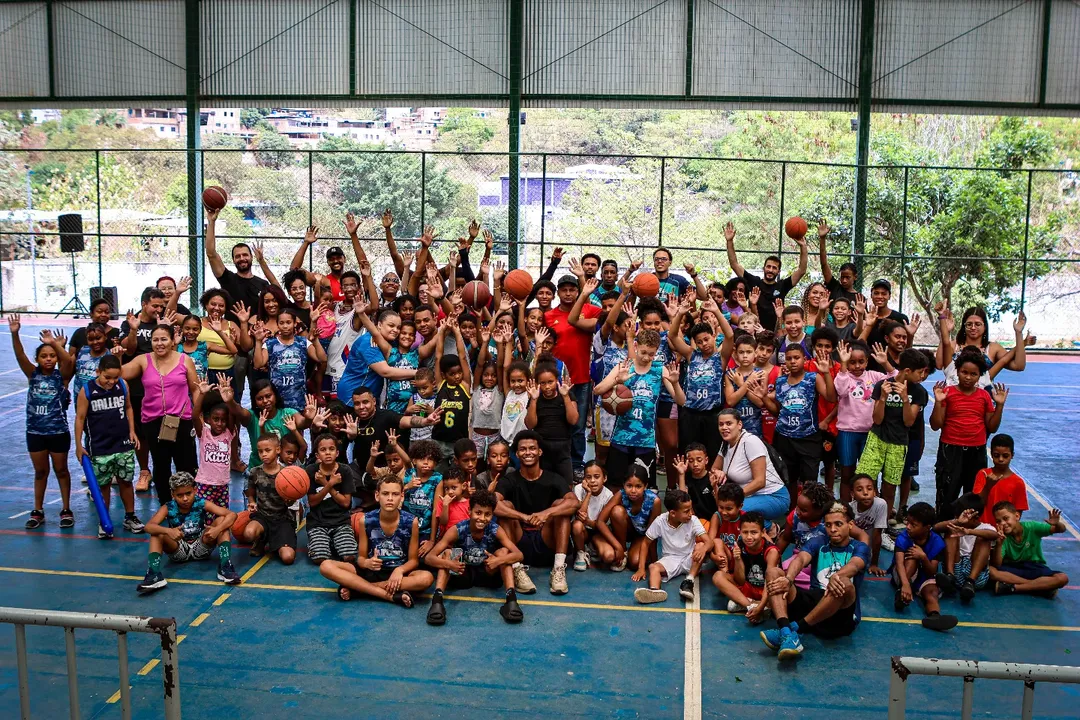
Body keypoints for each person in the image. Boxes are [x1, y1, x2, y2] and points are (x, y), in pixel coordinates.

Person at [761, 503, 870, 658]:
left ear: (850, 525)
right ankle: (786, 631)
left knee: (844, 584)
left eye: (838, 524)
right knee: (774, 573)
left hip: (840, 616)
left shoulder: (860, 547)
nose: (833, 529)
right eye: (828, 525)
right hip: (813, 605)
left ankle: (795, 629)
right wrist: (788, 579)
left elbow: (854, 565)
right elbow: (801, 559)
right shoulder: (819, 542)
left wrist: (837, 576)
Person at [320, 476, 435, 607]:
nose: (390, 498)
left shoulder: (411, 521)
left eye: (395, 494)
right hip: (371, 571)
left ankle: (358, 589)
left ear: (402, 496)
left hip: (397, 573)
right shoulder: (366, 520)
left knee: (426, 578)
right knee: (326, 566)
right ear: (377, 495)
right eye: (385, 494)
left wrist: (400, 570)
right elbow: (361, 559)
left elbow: (413, 561)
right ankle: (388, 595)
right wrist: (367, 563)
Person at [594, 330, 684, 488]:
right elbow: (598, 390)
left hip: (646, 440)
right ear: (635, 346)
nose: (646, 357)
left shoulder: (660, 369)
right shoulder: (624, 366)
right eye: (643, 352)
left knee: (645, 488)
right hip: (621, 437)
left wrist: (675, 383)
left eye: (651, 354)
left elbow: (681, 401)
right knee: (616, 486)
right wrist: (617, 380)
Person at [121, 324, 200, 504]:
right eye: (155, 340)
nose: (159, 343)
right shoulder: (143, 360)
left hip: (181, 420)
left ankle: (189, 505)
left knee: (186, 465)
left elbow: (195, 390)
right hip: (153, 422)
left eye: (164, 339)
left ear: (173, 341)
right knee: (161, 465)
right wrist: (117, 356)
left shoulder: (184, 360)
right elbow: (119, 373)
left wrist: (198, 416)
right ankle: (166, 505)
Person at [495, 430, 579, 595]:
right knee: (505, 506)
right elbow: (493, 504)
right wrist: (523, 517)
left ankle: (558, 568)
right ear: (517, 454)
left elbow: (574, 502)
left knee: (561, 505)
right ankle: (516, 569)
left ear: (540, 452)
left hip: (546, 540)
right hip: (519, 544)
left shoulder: (554, 478)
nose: (528, 452)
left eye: (532, 448)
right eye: (523, 449)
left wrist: (546, 513)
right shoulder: (509, 480)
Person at [424, 488, 525, 625]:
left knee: (504, 552)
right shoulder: (457, 529)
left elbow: (519, 554)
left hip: (487, 573)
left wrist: (498, 560)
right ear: (469, 511)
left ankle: (511, 601)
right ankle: (437, 601)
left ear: (492, 514)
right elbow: (429, 557)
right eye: (478, 513)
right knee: (448, 553)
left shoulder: (495, 529)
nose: (482, 518)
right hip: (463, 574)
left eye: (487, 514)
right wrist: (450, 564)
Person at [12, 319, 75, 530]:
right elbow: (20, 355)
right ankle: (38, 510)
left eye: (52, 356)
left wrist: (56, 344)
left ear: (56, 358)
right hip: (35, 432)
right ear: (37, 359)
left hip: (58, 432)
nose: (48, 359)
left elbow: (69, 362)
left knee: (61, 470)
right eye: (44, 356)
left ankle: (66, 509)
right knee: (40, 472)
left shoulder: (61, 377)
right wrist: (15, 334)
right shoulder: (33, 375)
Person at [929, 349, 1008, 515]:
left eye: (973, 374)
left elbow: (992, 427)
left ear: (980, 376)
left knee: (974, 496)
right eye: (964, 372)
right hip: (950, 450)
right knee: (947, 494)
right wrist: (938, 402)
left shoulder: (984, 396)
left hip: (976, 452)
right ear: (957, 371)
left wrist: (999, 405)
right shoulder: (947, 393)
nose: (968, 377)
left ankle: (969, 529)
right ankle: (944, 526)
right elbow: (936, 425)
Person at [74, 354, 143, 538]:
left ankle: (130, 517)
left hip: (123, 443)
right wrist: (78, 445)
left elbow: (128, 407)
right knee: (103, 485)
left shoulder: (123, 385)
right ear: (98, 372)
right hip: (99, 446)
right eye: (107, 377)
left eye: (115, 377)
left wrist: (132, 430)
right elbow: (80, 418)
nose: (111, 381)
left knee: (125, 482)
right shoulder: (87, 391)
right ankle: (104, 521)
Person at [137, 471, 240, 593]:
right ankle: (153, 574)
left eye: (188, 493)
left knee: (222, 521)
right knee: (157, 533)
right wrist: (168, 531)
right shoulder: (168, 507)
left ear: (195, 490)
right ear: (172, 494)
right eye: (180, 495)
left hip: (201, 546)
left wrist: (217, 529)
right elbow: (148, 526)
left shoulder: (201, 503)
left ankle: (225, 566)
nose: (185, 498)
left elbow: (232, 515)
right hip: (178, 549)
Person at [855, 349, 929, 518]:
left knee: (889, 488)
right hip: (876, 440)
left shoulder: (919, 392)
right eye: (920, 372)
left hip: (898, 443)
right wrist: (882, 398)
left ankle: (883, 524)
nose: (922, 376)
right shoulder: (882, 385)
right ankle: (863, 519)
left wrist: (905, 398)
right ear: (907, 371)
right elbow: (877, 419)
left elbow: (909, 422)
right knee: (864, 481)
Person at [763, 344, 836, 506]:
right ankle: (792, 511)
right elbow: (778, 411)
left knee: (810, 480)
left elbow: (831, 398)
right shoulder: (780, 382)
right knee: (789, 479)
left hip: (809, 437)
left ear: (804, 359)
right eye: (789, 358)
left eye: (796, 358)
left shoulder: (813, 378)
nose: (793, 361)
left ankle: (810, 510)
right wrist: (764, 398)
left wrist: (826, 373)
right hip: (784, 438)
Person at [545, 274, 603, 477]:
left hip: (581, 377)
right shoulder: (549, 316)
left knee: (578, 425)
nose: (568, 293)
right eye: (564, 290)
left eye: (572, 290)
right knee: (556, 422)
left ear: (578, 291)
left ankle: (577, 463)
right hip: (557, 379)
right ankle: (556, 461)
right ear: (558, 293)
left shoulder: (589, 310)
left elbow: (610, 317)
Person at [669, 297, 732, 460]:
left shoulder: (720, 358)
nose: (704, 344)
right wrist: (680, 313)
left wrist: (716, 311)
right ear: (695, 343)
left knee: (713, 455)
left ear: (713, 336)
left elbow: (730, 335)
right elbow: (673, 335)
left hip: (713, 414)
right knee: (688, 454)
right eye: (699, 342)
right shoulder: (692, 355)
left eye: (706, 339)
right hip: (690, 413)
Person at [833, 340, 893, 502]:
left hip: (870, 433)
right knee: (847, 473)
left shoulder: (874, 376)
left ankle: (871, 507)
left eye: (861, 361)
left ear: (867, 361)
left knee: (870, 475)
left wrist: (885, 363)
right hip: (847, 433)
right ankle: (846, 507)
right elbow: (841, 390)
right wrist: (843, 365)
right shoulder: (843, 376)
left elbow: (895, 379)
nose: (857, 366)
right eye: (852, 362)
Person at [120, 287, 167, 491]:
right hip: (138, 388)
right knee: (141, 432)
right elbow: (129, 350)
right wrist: (133, 330)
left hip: (162, 386)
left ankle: (162, 470)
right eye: (155, 306)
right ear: (144, 304)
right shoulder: (130, 323)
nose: (158, 310)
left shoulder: (163, 323)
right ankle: (144, 471)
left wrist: (165, 328)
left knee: (163, 431)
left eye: (161, 306)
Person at [724, 220, 808, 332]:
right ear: (764, 268)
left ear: (778, 271)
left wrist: (803, 246)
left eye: (774, 268)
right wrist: (729, 241)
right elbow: (734, 264)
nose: (770, 270)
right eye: (768, 266)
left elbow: (802, 270)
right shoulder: (754, 282)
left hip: (775, 332)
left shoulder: (782, 285)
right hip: (754, 330)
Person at [632, 489, 708, 605]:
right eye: (686, 511)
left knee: (701, 545)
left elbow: (709, 542)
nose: (691, 513)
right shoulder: (660, 521)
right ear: (673, 513)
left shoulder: (693, 520)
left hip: (690, 558)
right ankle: (655, 591)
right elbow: (646, 543)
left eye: (691, 509)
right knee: (653, 567)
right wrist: (641, 568)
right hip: (670, 559)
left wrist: (703, 549)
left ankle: (689, 581)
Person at [713, 409, 790, 522]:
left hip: (774, 496)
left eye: (729, 423)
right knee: (724, 509)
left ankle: (770, 527)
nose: (724, 427)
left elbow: (760, 481)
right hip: (749, 496)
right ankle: (766, 525)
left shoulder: (751, 442)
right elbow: (714, 469)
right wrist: (718, 472)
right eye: (721, 424)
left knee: (731, 511)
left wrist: (733, 498)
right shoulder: (726, 443)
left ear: (739, 425)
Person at [890, 502, 958, 631]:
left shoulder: (937, 542)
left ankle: (934, 616)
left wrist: (923, 557)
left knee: (932, 592)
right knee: (912, 558)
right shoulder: (903, 537)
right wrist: (905, 584)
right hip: (902, 575)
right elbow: (899, 563)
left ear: (927, 527)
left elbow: (931, 571)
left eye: (913, 525)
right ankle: (901, 594)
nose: (908, 527)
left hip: (924, 575)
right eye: (907, 522)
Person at [990, 502, 1070, 597]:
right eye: (998, 521)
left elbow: (1061, 529)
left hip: (1034, 567)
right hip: (1013, 568)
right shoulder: (1001, 536)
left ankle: (1015, 587)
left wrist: (1057, 524)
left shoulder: (1032, 527)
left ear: (1017, 516)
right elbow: (997, 564)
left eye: (1006, 518)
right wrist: (999, 544)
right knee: (991, 571)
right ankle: (1039, 587)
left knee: (1062, 578)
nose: (1003, 523)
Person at [240, 434, 297, 564]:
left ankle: (277, 542)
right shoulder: (255, 472)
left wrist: (290, 500)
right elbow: (250, 491)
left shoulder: (287, 474)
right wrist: (252, 502)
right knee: (249, 534)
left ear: (278, 450)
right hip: (262, 516)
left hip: (282, 519)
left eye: (267, 450)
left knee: (288, 558)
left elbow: (291, 502)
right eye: (260, 451)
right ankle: (261, 539)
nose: (263, 454)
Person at [712, 511, 780, 620]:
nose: (749, 537)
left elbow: (770, 581)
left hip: (767, 590)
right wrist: (738, 559)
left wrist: (761, 606)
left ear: (763, 532)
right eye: (745, 532)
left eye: (754, 532)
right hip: (749, 587)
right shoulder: (740, 545)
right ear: (740, 532)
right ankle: (750, 606)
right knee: (718, 576)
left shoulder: (771, 551)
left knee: (779, 595)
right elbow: (740, 581)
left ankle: (755, 605)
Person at [254, 307, 325, 410]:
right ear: (277, 325)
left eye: (288, 322)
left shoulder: (302, 342)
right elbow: (258, 364)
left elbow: (322, 359)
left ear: (295, 323)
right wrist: (258, 342)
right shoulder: (270, 344)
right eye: (281, 323)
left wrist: (316, 341)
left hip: (299, 399)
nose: (285, 326)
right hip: (277, 400)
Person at [305, 433, 358, 565]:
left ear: (337, 453)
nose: (328, 453)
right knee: (320, 558)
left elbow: (346, 503)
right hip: (318, 522)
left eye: (331, 449)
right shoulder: (311, 471)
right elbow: (312, 502)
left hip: (340, 522)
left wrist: (325, 483)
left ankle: (334, 542)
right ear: (317, 455)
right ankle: (318, 542)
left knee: (349, 557)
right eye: (323, 450)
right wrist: (329, 484)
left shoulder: (345, 470)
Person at [934, 493, 995, 603]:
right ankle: (950, 576)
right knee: (951, 530)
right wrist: (958, 522)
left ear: (975, 517)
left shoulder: (986, 527)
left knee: (984, 539)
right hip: (956, 568)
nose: (957, 517)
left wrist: (969, 531)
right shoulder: (957, 523)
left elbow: (994, 535)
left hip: (975, 575)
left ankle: (970, 583)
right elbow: (936, 527)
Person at [524, 363, 577, 484]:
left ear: (556, 381)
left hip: (563, 448)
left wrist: (565, 396)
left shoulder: (567, 395)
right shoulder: (535, 398)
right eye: (543, 383)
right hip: (542, 448)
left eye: (550, 382)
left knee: (566, 485)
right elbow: (530, 425)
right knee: (543, 484)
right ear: (538, 384)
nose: (547, 387)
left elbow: (573, 420)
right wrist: (533, 400)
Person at [191, 379, 234, 509]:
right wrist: (202, 394)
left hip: (222, 485)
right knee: (205, 515)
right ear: (208, 419)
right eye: (216, 419)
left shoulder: (228, 433)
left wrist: (228, 400)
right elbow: (195, 416)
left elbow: (233, 414)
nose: (220, 423)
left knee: (222, 513)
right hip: (205, 484)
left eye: (223, 420)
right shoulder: (204, 433)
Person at [972, 434, 1028, 524]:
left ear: (1012, 455)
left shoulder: (1018, 482)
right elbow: (977, 505)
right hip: (982, 528)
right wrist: (987, 487)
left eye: (1005, 456)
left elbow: (1017, 514)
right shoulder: (983, 474)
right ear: (991, 454)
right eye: (996, 455)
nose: (1001, 459)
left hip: (1004, 529)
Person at [571, 461, 616, 571]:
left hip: (599, 532)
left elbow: (602, 526)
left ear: (604, 478)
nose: (592, 481)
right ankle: (581, 553)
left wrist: (587, 521)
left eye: (596, 477)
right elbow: (580, 515)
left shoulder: (609, 495)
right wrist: (588, 493)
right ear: (584, 479)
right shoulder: (578, 489)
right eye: (588, 477)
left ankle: (592, 547)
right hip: (582, 531)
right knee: (577, 525)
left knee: (609, 556)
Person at [848, 473, 889, 576]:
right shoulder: (849, 508)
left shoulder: (880, 504)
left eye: (869, 489)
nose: (865, 493)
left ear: (874, 492)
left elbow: (877, 535)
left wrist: (874, 564)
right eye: (859, 490)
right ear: (852, 494)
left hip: (870, 539)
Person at [818, 221, 863, 305]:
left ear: (855, 277)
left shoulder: (860, 298)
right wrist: (822, 239)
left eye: (847, 277)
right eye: (842, 277)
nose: (844, 280)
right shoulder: (835, 287)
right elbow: (824, 265)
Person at [675, 444, 718, 524]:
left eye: (699, 460)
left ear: (706, 460)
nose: (695, 464)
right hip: (693, 521)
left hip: (713, 520)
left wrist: (715, 487)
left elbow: (720, 504)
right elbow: (683, 500)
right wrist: (681, 474)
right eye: (691, 461)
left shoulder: (712, 478)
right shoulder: (685, 479)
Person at [73, 322, 117, 395]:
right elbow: (69, 365)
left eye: (98, 338)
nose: (95, 342)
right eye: (91, 339)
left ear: (105, 336)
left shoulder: (110, 356)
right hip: (79, 396)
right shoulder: (82, 351)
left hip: (99, 398)